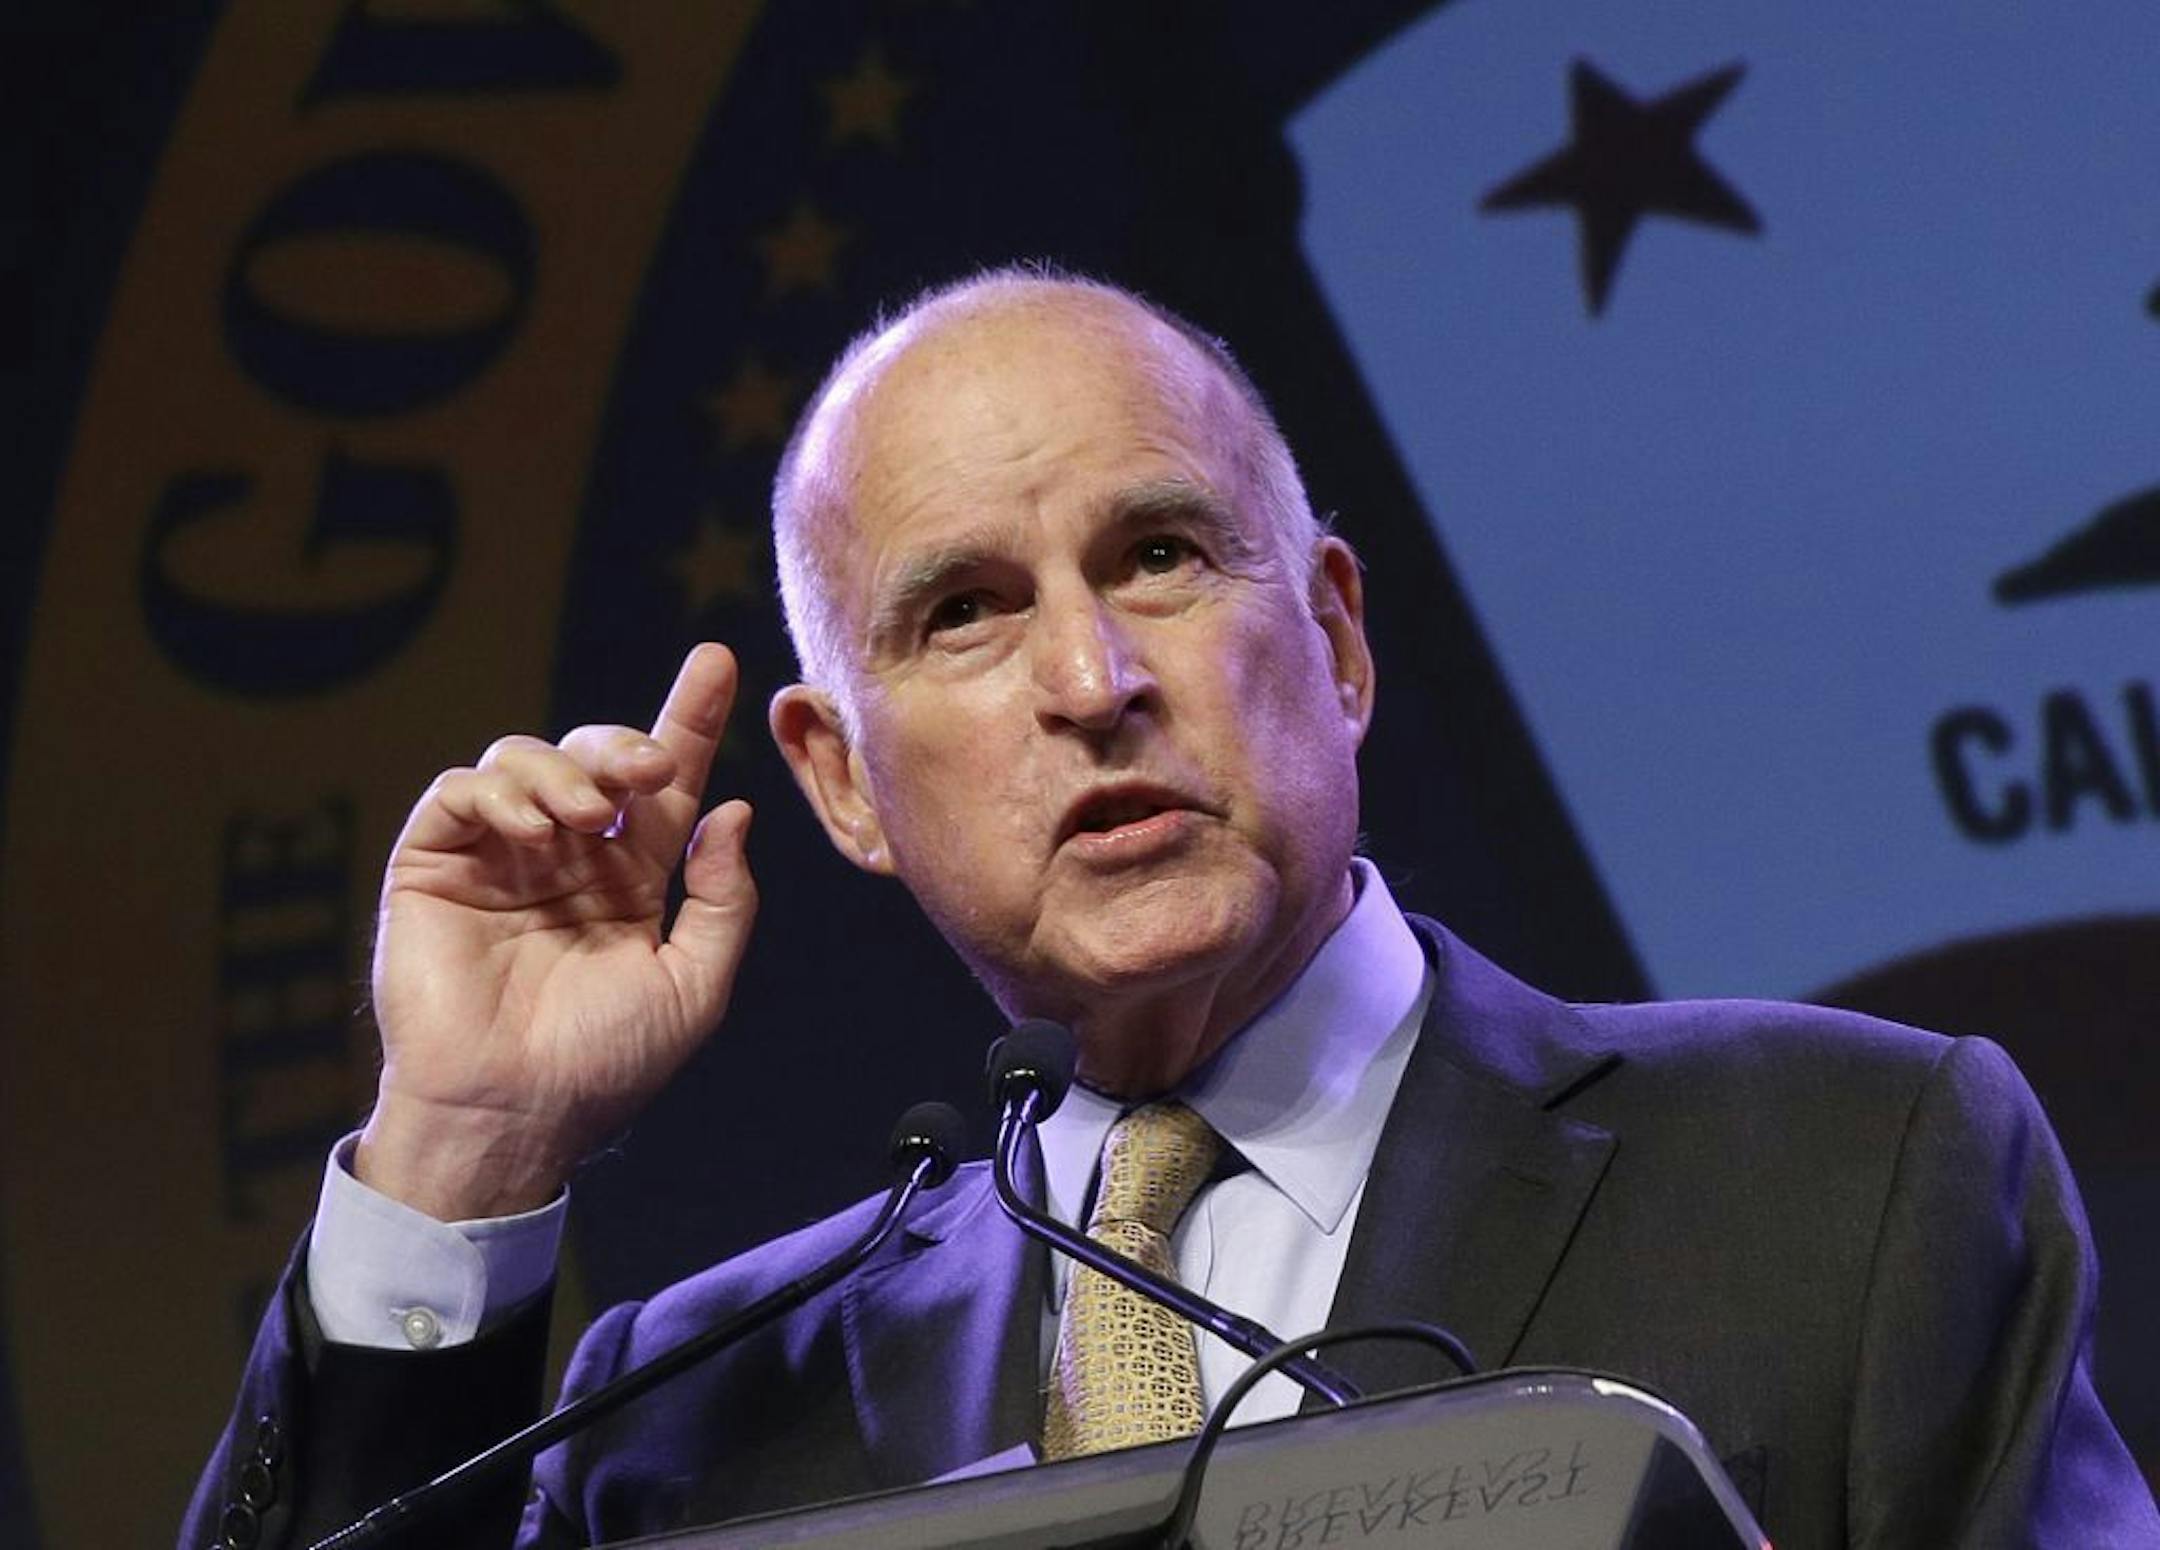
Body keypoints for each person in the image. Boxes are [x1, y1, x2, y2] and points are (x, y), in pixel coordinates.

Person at [184, 270, 2157, 1550]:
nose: (1092, 677)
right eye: (963, 611)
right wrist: (465, 1145)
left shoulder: (1850, 1176)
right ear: (843, 781)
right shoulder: (684, 1415)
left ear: (1339, 637)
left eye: (1161, 554)